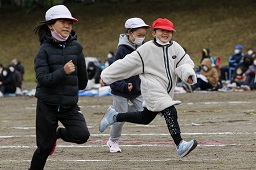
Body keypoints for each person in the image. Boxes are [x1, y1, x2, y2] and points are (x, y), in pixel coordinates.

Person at [99, 18, 197, 158]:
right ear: (154, 33)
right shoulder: (146, 49)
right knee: (170, 110)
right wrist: (107, 75)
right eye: (162, 30)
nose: (165, 33)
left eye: (169, 31)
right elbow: (126, 63)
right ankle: (180, 144)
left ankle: (114, 116)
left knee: (145, 118)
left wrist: (187, 74)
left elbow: (184, 63)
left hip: (166, 91)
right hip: (152, 89)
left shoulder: (176, 47)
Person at [29, 5, 90, 170]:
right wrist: (63, 72)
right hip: (47, 106)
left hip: (69, 106)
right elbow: (42, 79)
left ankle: (58, 134)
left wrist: (82, 82)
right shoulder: (44, 50)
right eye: (63, 21)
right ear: (50, 25)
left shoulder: (77, 48)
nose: (67, 25)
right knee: (44, 148)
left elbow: (83, 80)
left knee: (82, 135)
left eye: (70, 22)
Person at [106, 17, 150, 153]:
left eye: (143, 36)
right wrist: (123, 85)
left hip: (137, 89)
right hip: (121, 89)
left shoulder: (144, 47)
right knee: (120, 119)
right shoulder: (122, 49)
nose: (141, 38)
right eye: (139, 35)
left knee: (146, 111)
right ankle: (113, 141)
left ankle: (114, 112)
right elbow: (115, 71)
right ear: (130, 33)